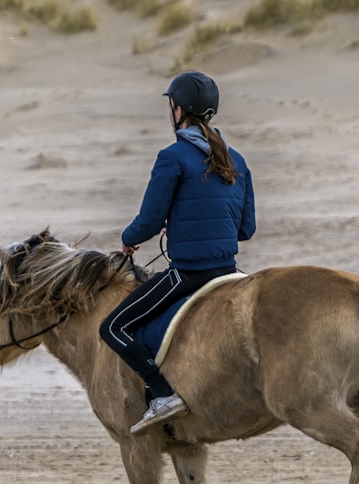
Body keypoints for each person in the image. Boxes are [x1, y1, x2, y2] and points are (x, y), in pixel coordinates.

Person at [100, 70, 257, 435]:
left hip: (189, 273)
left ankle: (163, 393)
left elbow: (150, 221)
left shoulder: (172, 156)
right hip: (230, 272)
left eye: (170, 105)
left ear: (179, 110)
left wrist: (128, 238)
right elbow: (246, 229)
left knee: (113, 326)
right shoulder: (238, 160)